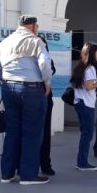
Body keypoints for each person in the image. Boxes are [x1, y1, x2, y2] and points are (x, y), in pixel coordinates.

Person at [0, 14, 52, 185]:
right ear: (33, 26)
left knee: (12, 131)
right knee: (32, 132)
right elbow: (45, 64)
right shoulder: (36, 41)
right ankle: (28, 175)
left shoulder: (5, 42)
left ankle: (7, 174)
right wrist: (47, 82)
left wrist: (5, 78)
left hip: (8, 88)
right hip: (31, 89)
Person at [71, 41, 97, 171]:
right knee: (87, 134)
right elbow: (90, 86)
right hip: (86, 103)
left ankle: (81, 161)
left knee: (85, 133)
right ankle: (82, 162)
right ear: (91, 53)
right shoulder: (90, 68)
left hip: (79, 102)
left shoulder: (81, 67)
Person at [38, 35, 56, 176]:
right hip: (35, 95)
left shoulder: (48, 59)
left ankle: (45, 164)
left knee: (45, 133)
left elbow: (50, 69)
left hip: (45, 96)